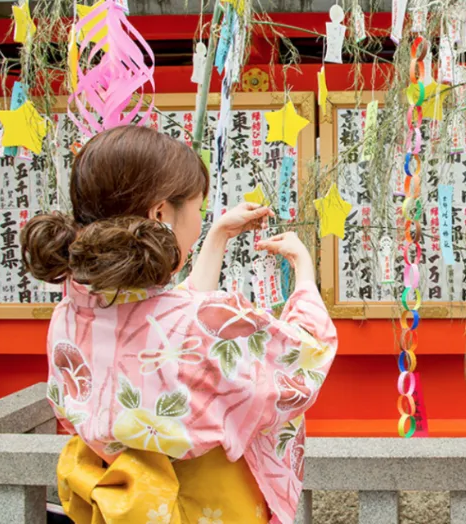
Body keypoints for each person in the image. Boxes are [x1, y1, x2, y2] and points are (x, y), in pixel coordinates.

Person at [20, 125, 337, 524]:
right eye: (198, 211)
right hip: (202, 506)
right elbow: (306, 358)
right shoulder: (203, 323)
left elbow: (167, 322)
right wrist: (305, 274)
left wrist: (218, 235)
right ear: (160, 213)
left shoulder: (72, 312)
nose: (200, 221)